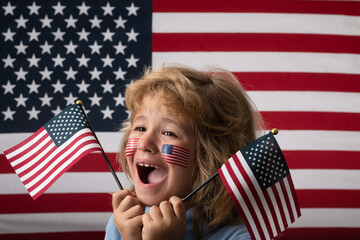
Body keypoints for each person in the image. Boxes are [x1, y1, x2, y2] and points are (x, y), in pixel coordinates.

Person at [105, 64, 263, 240]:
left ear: (211, 157)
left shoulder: (240, 236)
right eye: (140, 128)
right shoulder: (124, 222)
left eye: (168, 133)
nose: (144, 143)